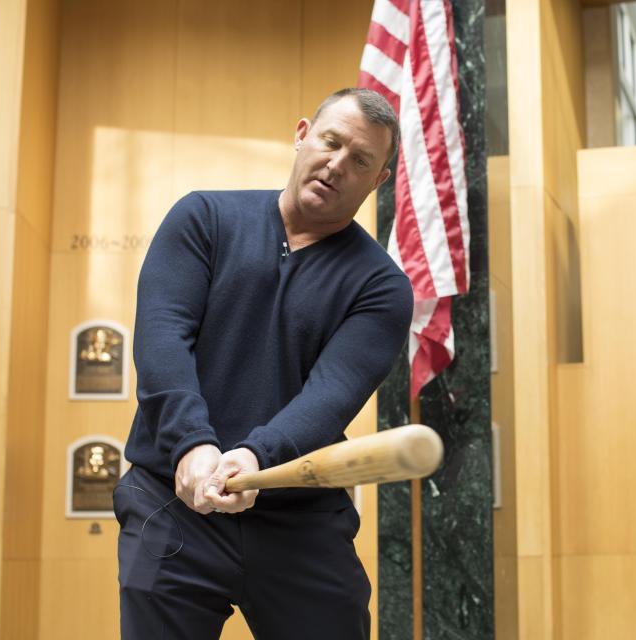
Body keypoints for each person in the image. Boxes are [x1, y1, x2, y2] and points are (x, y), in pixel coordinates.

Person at [114, 88, 413, 640]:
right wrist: (193, 445)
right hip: (171, 501)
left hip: (298, 515)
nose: (337, 163)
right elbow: (162, 339)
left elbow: (331, 394)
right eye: (331, 142)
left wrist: (254, 456)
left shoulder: (382, 287)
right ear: (303, 135)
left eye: (361, 160)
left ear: (379, 180)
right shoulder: (203, 218)